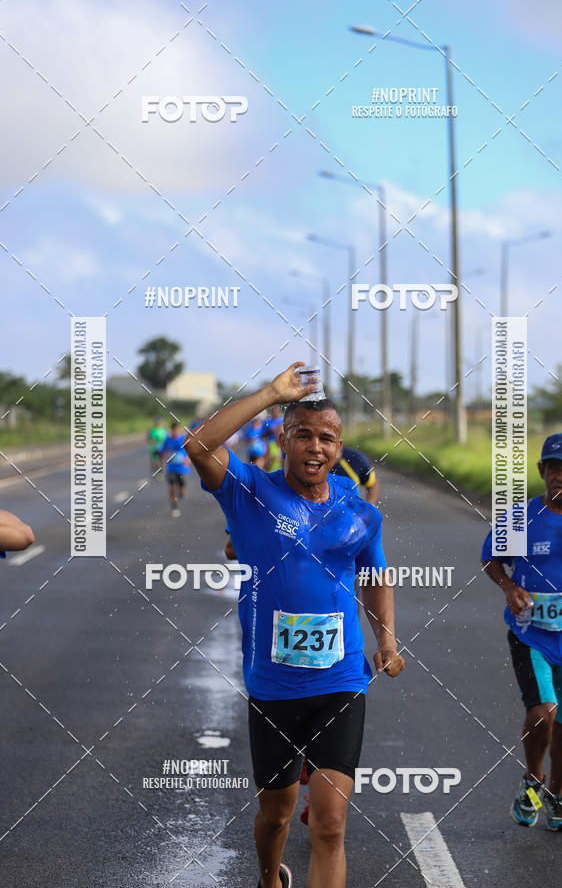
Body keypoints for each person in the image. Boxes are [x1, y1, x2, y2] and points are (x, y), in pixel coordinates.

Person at [187, 361, 404, 888]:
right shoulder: (250, 493)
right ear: (283, 440)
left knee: (330, 826)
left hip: (341, 679)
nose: (315, 447)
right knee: (278, 814)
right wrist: (271, 393)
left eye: (326, 438)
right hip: (273, 685)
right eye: (302, 435)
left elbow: (375, 575)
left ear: (339, 447)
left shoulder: (360, 511)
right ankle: (268, 878)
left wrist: (386, 639)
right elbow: (198, 445)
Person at [481, 433, 562, 831]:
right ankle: (533, 778)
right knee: (542, 712)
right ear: (541, 471)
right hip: (529, 631)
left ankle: (557, 796)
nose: (561, 476)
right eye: (553, 468)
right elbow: (492, 561)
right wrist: (509, 586)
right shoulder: (519, 519)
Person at [159, 422, 190, 518]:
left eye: (177, 430)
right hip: (171, 468)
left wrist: (188, 459)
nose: (176, 432)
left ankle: (181, 492)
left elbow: (192, 450)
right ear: (171, 430)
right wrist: (164, 456)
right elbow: (162, 452)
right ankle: (174, 507)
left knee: (182, 489)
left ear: (179, 430)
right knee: (171, 488)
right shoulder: (167, 440)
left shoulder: (183, 439)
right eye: (174, 430)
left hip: (183, 469)